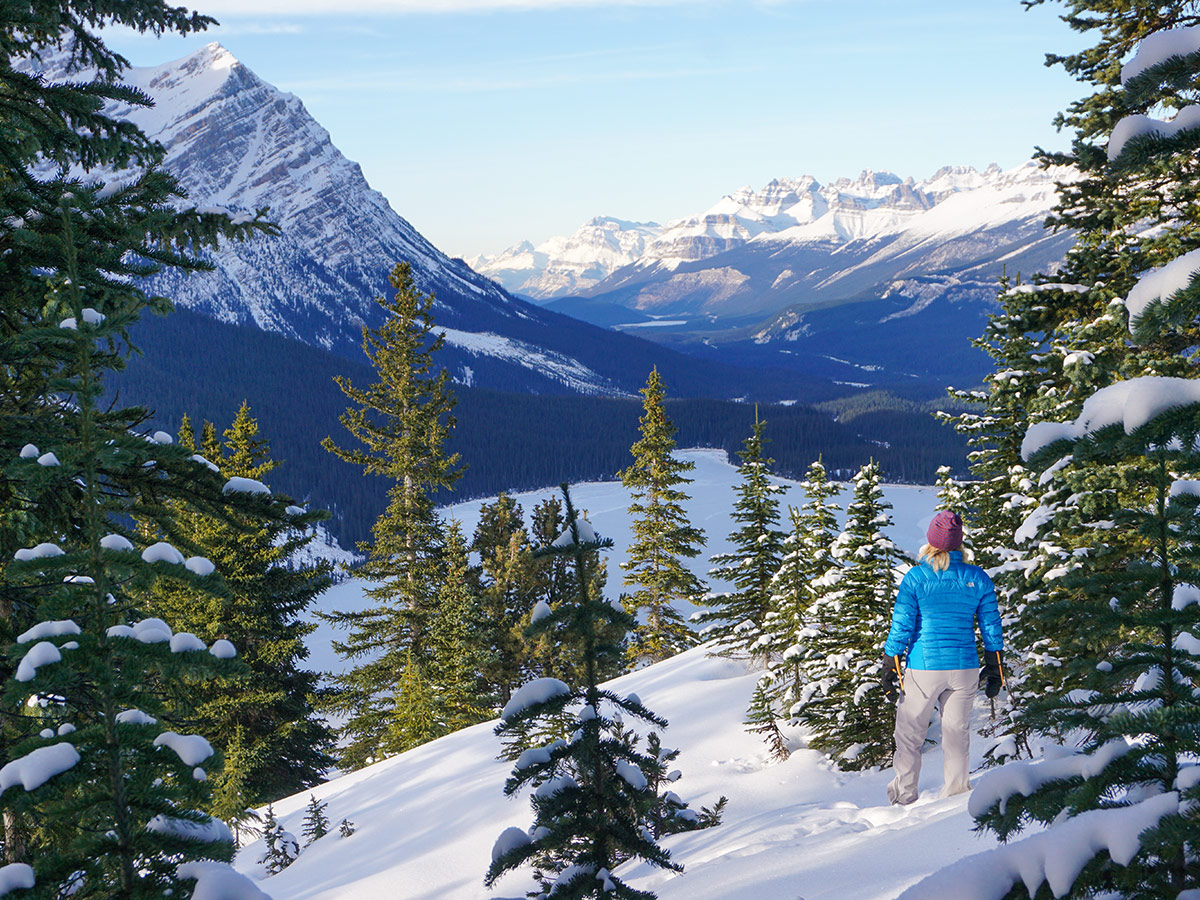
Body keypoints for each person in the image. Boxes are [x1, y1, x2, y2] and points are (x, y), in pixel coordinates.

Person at [879, 510, 1003, 805]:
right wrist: (996, 666)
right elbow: (991, 626)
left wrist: (890, 662)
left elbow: (903, 624)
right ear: (959, 542)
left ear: (931, 542)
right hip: (964, 667)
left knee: (909, 735)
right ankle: (957, 797)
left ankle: (905, 795)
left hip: (924, 667)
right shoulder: (978, 578)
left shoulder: (917, 577)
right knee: (956, 734)